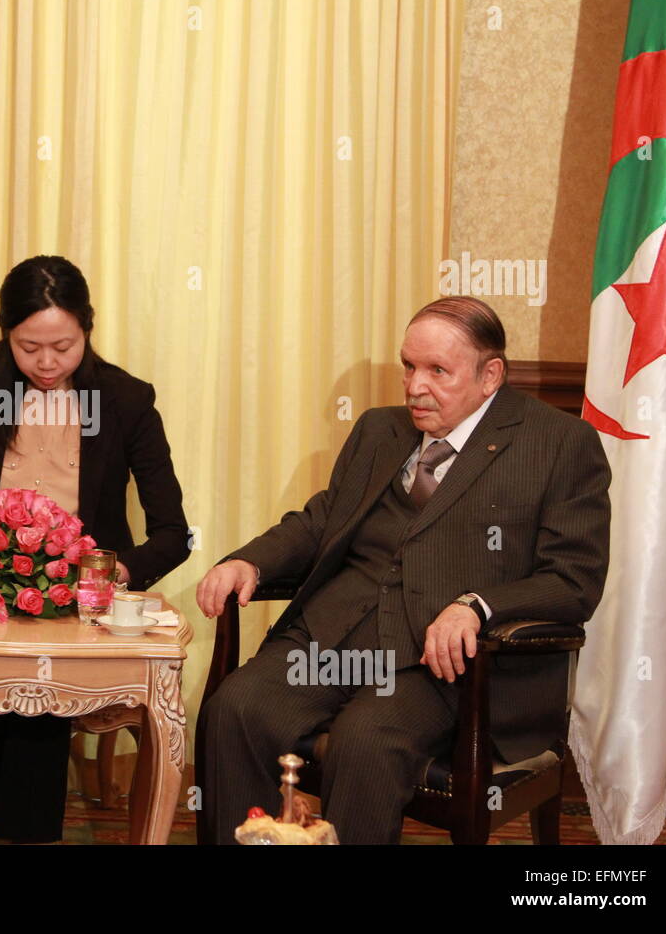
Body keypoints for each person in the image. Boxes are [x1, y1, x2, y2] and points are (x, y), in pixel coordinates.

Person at [196, 296, 610, 844]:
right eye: (409, 366)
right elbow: (321, 520)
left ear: (491, 376)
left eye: (437, 371)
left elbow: (572, 580)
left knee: (364, 743)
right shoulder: (378, 431)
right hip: (333, 637)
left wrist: (478, 606)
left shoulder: (557, 444)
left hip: (439, 666)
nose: (415, 386)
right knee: (235, 711)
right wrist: (247, 560)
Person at [0, 255, 190, 843]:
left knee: (42, 670)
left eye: (64, 345)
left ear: (87, 329)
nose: (48, 363)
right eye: (31, 347)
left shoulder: (126, 400)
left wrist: (112, 573)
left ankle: (28, 834)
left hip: (79, 604)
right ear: (7, 333)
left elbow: (173, 532)